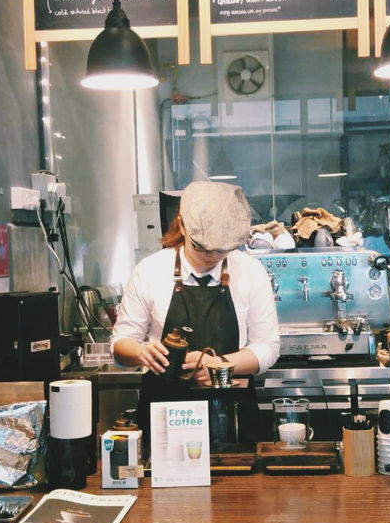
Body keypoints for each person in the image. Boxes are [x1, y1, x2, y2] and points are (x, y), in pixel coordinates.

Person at [110, 182, 279, 432]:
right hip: (164, 414)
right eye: (202, 247)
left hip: (231, 414)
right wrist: (140, 352)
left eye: (223, 250)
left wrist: (220, 364)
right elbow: (120, 343)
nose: (212, 257)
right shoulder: (150, 270)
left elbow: (268, 347)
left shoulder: (251, 272)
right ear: (181, 224)